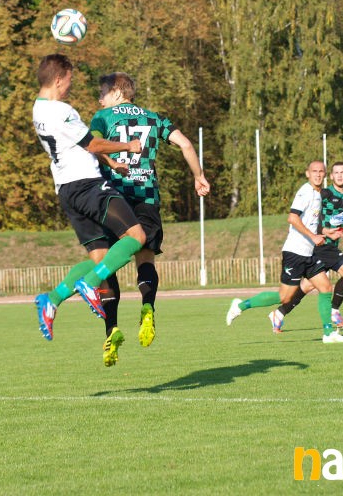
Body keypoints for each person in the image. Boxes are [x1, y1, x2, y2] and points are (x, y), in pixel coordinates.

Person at [88, 72, 210, 366]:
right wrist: (199, 176)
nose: (100, 99)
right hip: (147, 197)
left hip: (113, 198)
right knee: (145, 258)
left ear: (117, 92)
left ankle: (111, 329)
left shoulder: (103, 117)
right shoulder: (154, 118)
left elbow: (93, 144)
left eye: (103, 93)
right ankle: (147, 307)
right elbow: (186, 144)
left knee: (106, 263)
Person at [31, 54, 147, 343]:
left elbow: (80, 146)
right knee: (137, 236)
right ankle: (90, 284)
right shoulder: (61, 111)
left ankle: (52, 299)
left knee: (102, 260)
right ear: (59, 79)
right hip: (87, 185)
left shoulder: (38, 109)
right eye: (69, 79)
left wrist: (110, 162)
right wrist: (128, 146)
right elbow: (92, 144)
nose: (71, 85)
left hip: (66, 190)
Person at [225, 160, 343, 343]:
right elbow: (292, 218)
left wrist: (325, 232)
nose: (317, 174)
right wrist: (313, 237)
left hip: (309, 254)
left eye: (321, 171)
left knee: (325, 287)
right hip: (295, 253)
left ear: (325, 175)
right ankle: (240, 305)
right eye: (314, 171)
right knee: (285, 297)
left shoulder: (318, 194)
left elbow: (310, 223)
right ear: (307, 173)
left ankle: (328, 334)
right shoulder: (305, 192)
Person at [266, 161, 343, 334]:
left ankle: (279, 313)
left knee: (308, 286)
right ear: (331, 176)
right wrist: (321, 232)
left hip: (331, 245)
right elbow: (309, 217)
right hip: (320, 245)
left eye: (342, 172)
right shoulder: (323, 194)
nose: (339, 175)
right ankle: (333, 312)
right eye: (336, 173)